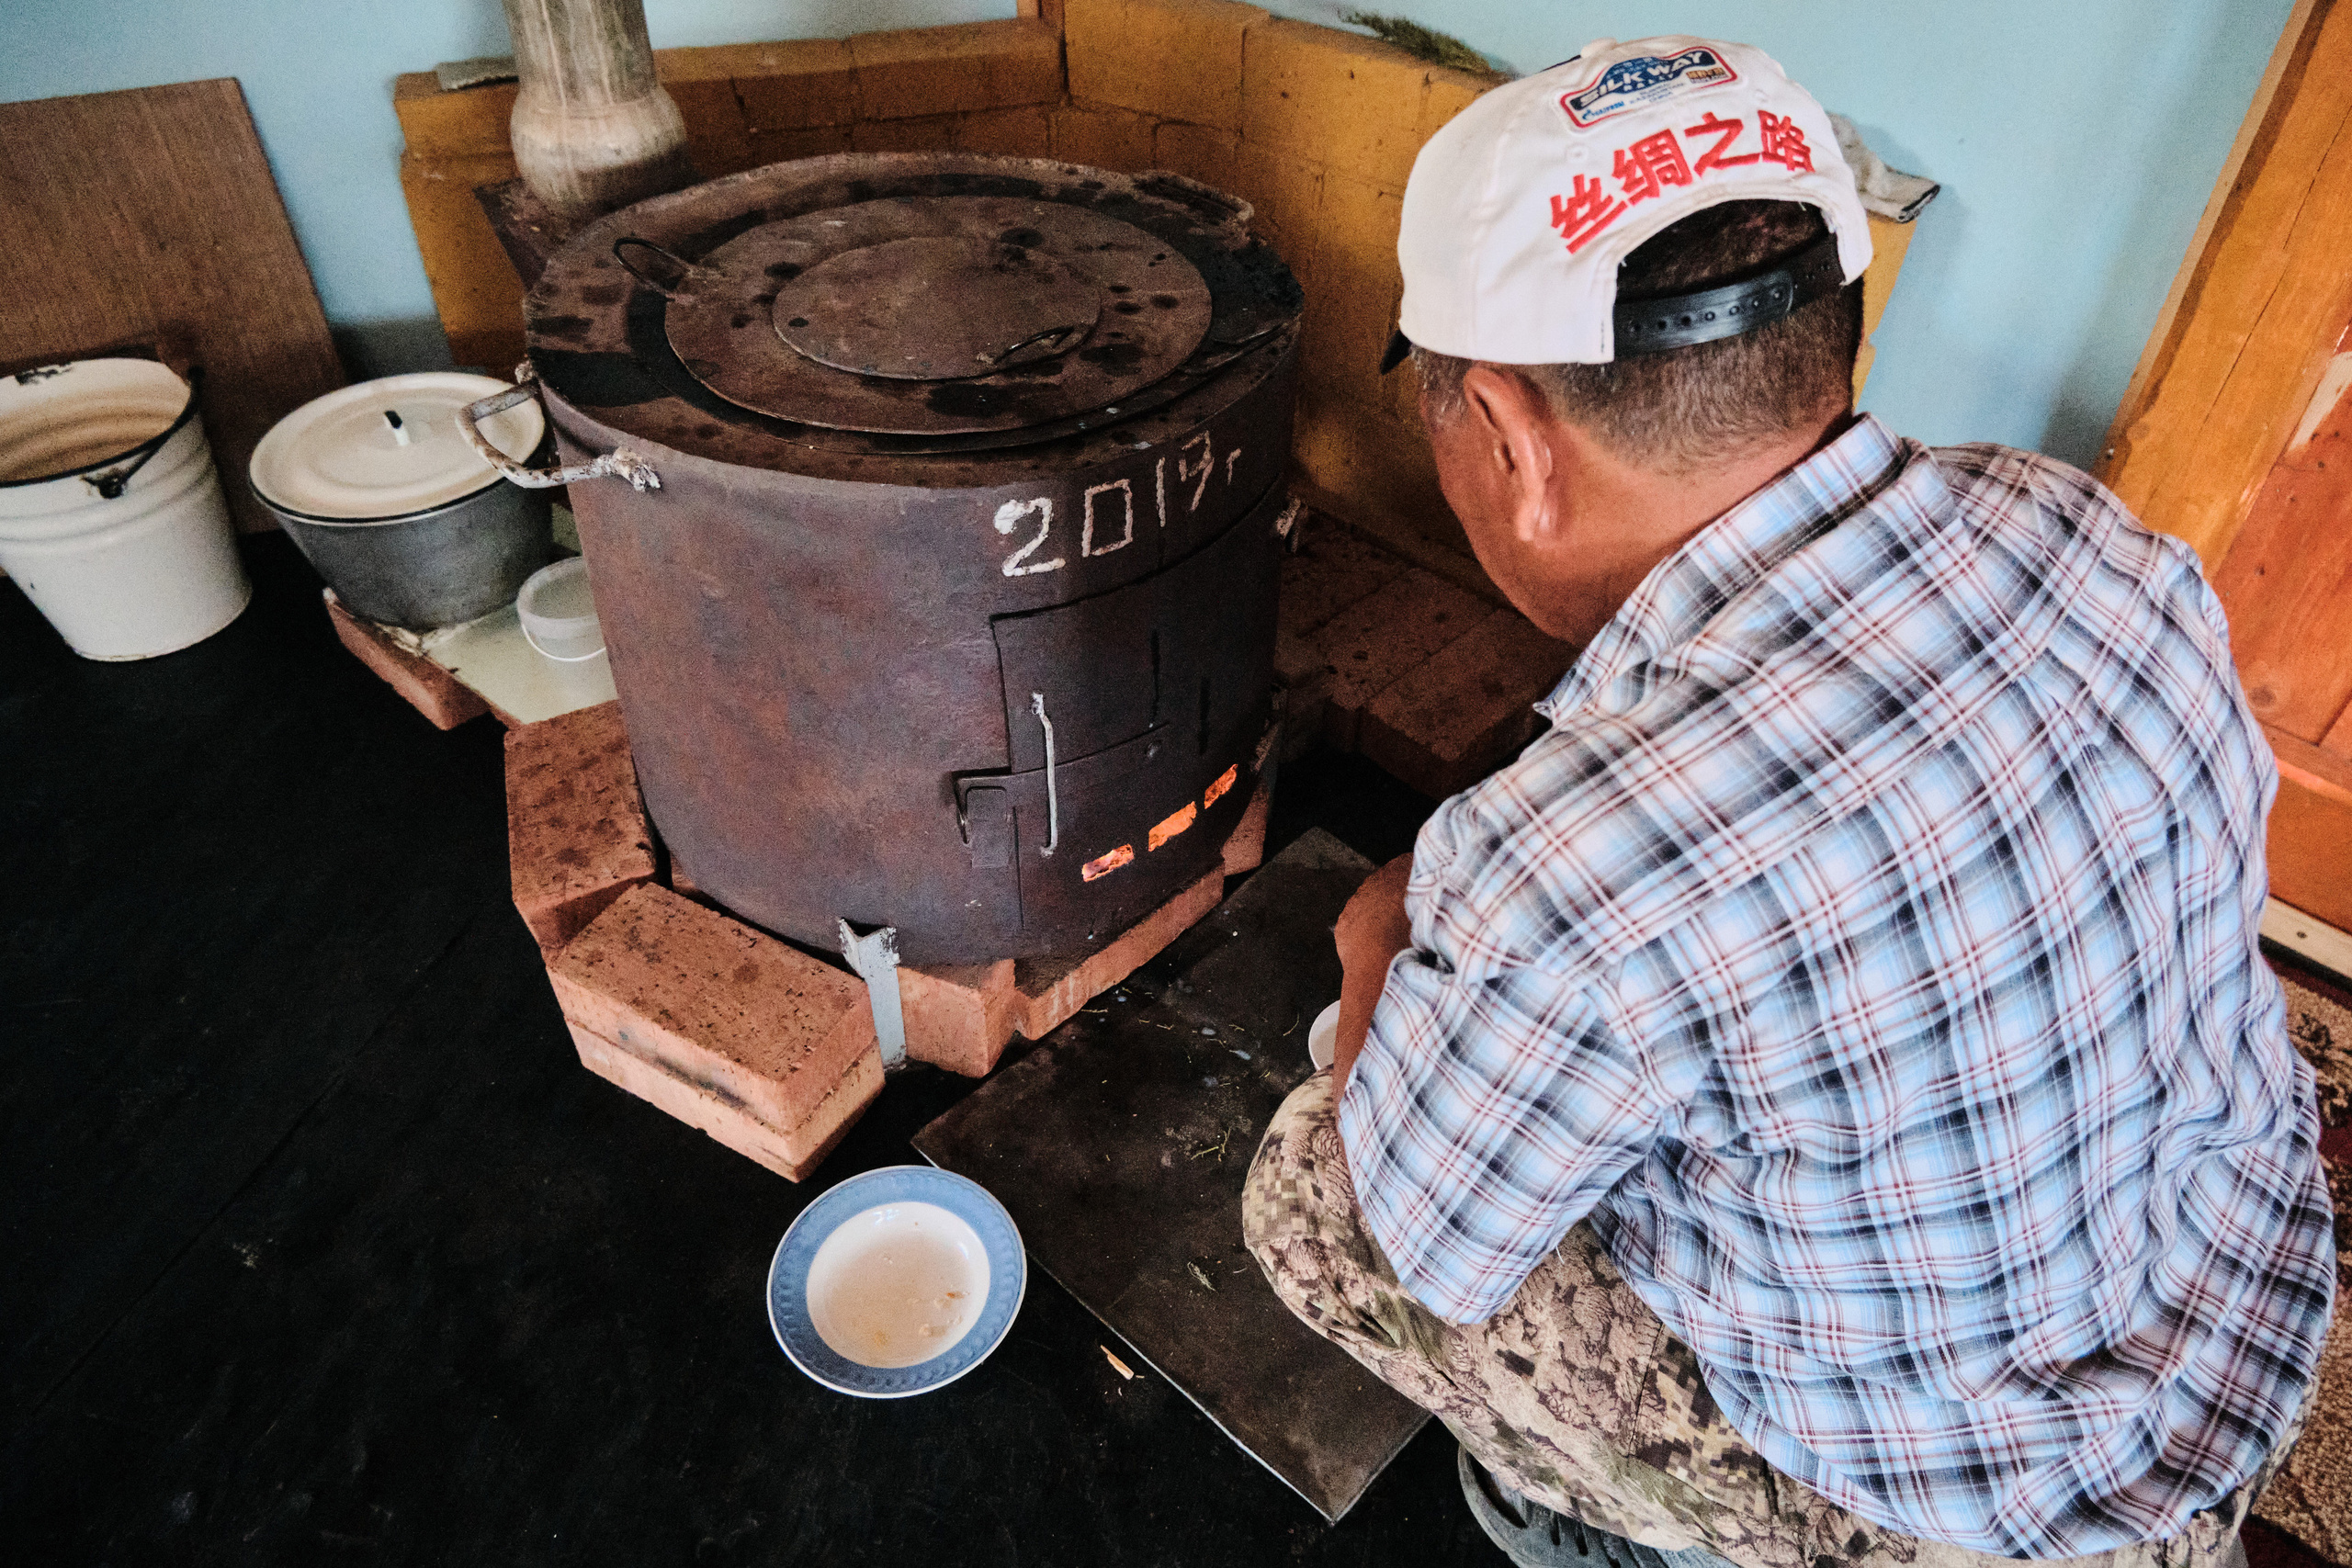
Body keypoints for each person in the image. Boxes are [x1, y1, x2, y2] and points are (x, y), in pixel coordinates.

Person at [1240, 35, 2333, 1568]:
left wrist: (1376, 932)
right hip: (2221, 1304)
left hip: (1973, 1505)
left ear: (1508, 441)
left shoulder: (1574, 867)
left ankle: (1628, 1535)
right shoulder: (2085, 530)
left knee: (1308, 1192)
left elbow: (1428, 1232)